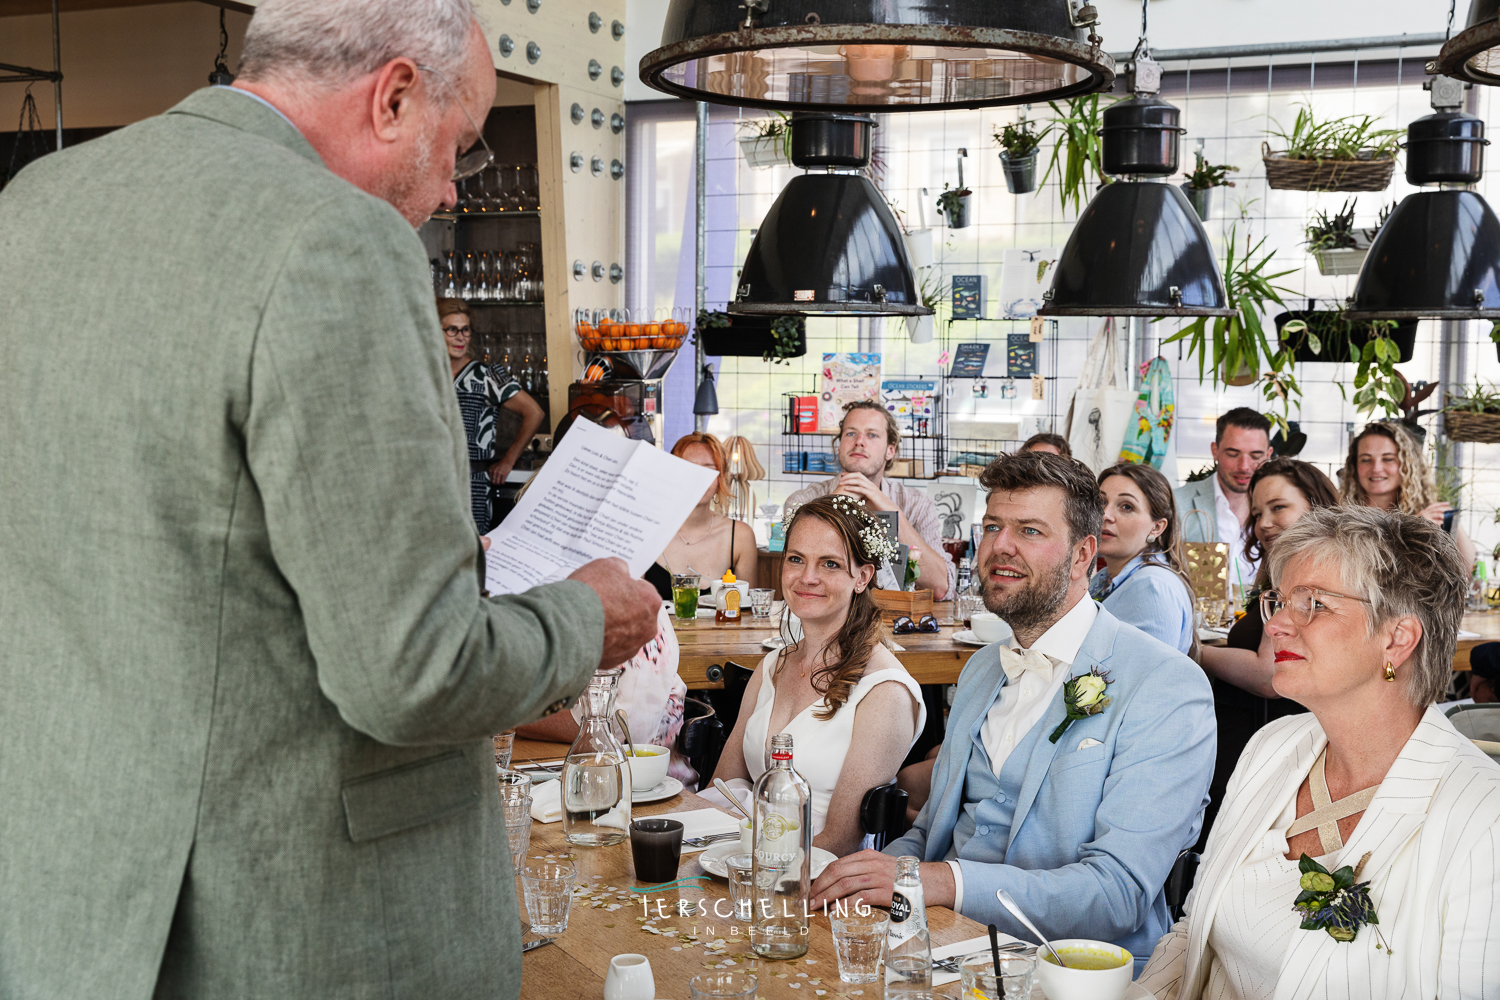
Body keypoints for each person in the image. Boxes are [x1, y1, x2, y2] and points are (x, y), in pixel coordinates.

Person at [0, 2, 663, 996]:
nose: (448, 190)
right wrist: (584, 616)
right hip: (297, 923)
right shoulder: (338, 241)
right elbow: (411, 670)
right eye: (460, 144)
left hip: (71, 907)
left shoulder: (37, 204)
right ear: (393, 96)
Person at [811, 452, 1216, 972]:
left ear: (1081, 555)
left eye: (1028, 530)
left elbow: (1117, 895)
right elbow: (936, 829)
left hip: (1070, 972)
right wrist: (869, 873)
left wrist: (940, 882)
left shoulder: (1166, 685)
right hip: (939, 948)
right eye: (992, 527)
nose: (1000, 546)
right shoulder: (982, 669)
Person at [1137, 507, 1500, 998]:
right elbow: (1193, 931)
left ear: (1397, 638)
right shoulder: (1273, 747)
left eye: (1313, 603)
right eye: (1280, 601)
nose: (1277, 626)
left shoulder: (1482, 816)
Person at [710, 494, 926, 857]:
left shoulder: (885, 691)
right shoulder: (774, 665)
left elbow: (841, 840)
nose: (807, 578)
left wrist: (758, 867)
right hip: (738, 859)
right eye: (796, 559)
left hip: (819, 882)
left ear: (862, 577)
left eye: (829, 564)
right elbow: (724, 784)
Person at [1196, 458, 1337, 848]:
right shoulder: (1285, 568)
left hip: (1271, 743)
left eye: (1278, 508)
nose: (1264, 523)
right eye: (1257, 513)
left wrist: (1193, 652)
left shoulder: (1310, 573)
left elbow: (1267, 674)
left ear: (1315, 504)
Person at [785, 400, 955, 599]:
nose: (859, 441)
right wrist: (836, 504)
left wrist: (891, 510)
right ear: (839, 446)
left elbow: (942, 587)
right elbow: (803, 577)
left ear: (890, 450)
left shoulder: (917, 504)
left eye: (872, 435)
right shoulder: (803, 501)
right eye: (850, 433)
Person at [517, 604, 695, 786]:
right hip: (580, 774)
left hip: (649, 791)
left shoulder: (629, 608)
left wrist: (512, 715)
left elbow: (614, 724)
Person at [440, 298, 545, 532]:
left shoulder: (488, 375)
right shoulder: (428, 376)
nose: (460, 337)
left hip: (472, 485)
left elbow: (534, 412)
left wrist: (508, 460)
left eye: (465, 330)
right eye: (452, 330)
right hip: (433, 484)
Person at [1091, 462, 1199, 656]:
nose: (1105, 515)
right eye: (1101, 503)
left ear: (1157, 527)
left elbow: (1145, 680)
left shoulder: (1152, 586)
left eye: (1126, 507)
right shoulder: (1104, 577)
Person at [1339, 420, 1476, 565]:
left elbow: (1468, 571)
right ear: (1354, 466)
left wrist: (1450, 521)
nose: (1376, 468)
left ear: (1408, 465)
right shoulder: (1341, 517)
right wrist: (1410, 532)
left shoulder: (1427, 514)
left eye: (1388, 459)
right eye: (1366, 460)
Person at [1175, 408, 1273, 590]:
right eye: (1233, 454)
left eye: (1255, 456)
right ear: (1215, 451)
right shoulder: (1177, 503)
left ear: (1268, 455)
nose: (1244, 466)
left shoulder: (1279, 510)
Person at [661, 432, 758, 589]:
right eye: (689, 468)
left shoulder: (740, 536)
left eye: (708, 470)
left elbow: (747, 609)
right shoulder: (648, 530)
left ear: (721, 477)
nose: (698, 479)